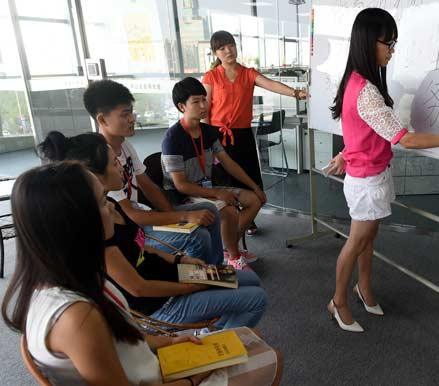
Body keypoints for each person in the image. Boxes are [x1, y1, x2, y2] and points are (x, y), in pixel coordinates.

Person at [1, 162, 282, 385]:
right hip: (169, 300)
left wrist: (184, 265)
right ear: (76, 221)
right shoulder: (79, 315)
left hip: (178, 280)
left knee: (247, 282)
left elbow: (125, 334)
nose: (109, 206)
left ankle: (212, 333)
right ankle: (213, 332)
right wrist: (194, 378)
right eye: (101, 201)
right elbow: (139, 289)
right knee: (270, 350)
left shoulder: (74, 279)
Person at [325, 8, 439, 332]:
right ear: (369, 42)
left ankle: (363, 287)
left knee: (368, 239)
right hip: (366, 179)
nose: (392, 50)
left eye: (394, 43)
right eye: (389, 43)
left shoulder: (357, 80)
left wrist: (344, 152)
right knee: (357, 241)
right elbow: (405, 139)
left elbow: (359, 129)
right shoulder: (365, 90)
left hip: (371, 173)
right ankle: (338, 301)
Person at [38, 131, 268, 329]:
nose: (121, 165)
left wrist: (182, 260)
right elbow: (139, 289)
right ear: (93, 175)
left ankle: (215, 329)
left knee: (250, 280)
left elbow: (144, 248)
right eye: (113, 162)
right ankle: (216, 340)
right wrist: (191, 287)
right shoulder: (98, 231)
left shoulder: (114, 205)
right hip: (163, 304)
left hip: (173, 275)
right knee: (256, 298)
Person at [83, 79, 222, 263]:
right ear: (102, 119)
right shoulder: (103, 160)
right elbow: (130, 216)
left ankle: (216, 270)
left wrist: (176, 219)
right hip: (132, 230)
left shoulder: (125, 146)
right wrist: (184, 216)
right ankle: (197, 284)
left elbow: (148, 186)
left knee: (208, 209)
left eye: (131, 112)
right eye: (125, 114)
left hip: (143, 216)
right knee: (198, 236)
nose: (132, 119)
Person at [203, 30, 307, 235]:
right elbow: (205, 109)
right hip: (218, 135)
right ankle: (229, 226)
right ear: (215, 53)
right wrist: (207, 140)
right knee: (225, 183)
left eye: (230, 45)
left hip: (242, 135)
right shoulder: (211, 77)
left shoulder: (248, 73)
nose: (228, 50)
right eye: (222, 48)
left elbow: (271, 84)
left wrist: (296, 93)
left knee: (248, 178)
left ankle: (247, 219)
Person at [163, 77, 267, 270]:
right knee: (227, 209)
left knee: (255, 199)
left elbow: (229, 164)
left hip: (205, 188)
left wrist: (256, 187)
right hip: (183, 197)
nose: (204, 105)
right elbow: (181, 185)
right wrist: (218, 194)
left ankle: (227, 247)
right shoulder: (173, 137)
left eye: (204, 99)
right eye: (196, 101)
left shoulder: (208, 131)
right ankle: (234, 256)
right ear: (182, 106)